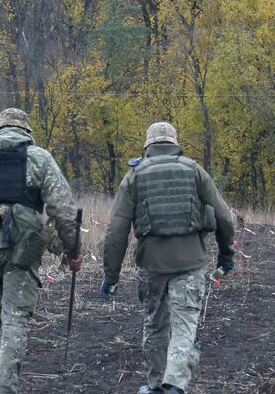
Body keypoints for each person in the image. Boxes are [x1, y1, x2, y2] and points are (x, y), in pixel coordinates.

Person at [0, 108, 83, 394]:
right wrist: (72, 251)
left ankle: (0, 384)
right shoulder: (40, 158)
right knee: (14, 319)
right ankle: (5, 388)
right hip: (24, 247)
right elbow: (64, 210)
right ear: (26, 130)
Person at [99, 122, 236, 394]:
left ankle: (155, 386)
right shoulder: (195, 170)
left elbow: (116, 231)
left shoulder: (134, 176)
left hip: (152, 265)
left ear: (148, 145)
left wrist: (111, 277)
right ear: (175, 143)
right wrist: (225, 256)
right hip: (191, 263)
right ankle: (176, 384)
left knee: (155, 325)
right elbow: (224, 217)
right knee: (185, 327)